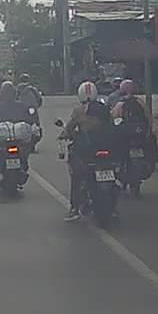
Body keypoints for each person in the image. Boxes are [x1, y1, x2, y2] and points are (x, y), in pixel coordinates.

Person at [59, 81, 101, 221]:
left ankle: (74, 208)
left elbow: (69, 128)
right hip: (103, 147)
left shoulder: (78, 111)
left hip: (86, 150)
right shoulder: (103, 108)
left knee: (76, 176)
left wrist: (64, 134)